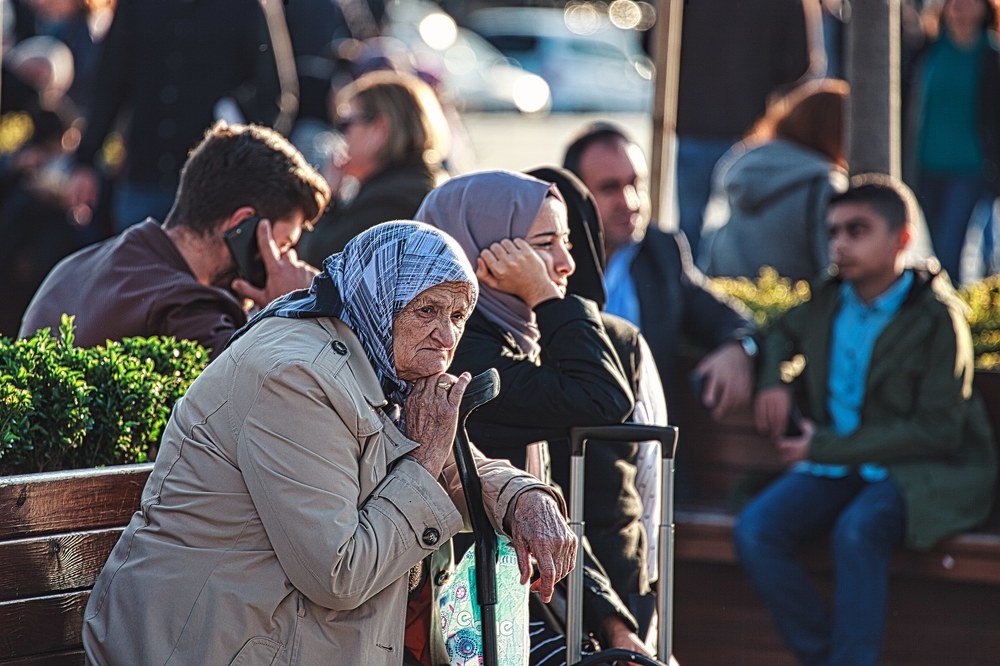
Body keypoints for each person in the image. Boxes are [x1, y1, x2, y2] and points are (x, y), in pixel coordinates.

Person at [81, 221, 576, 665]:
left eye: (459, 315)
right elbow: (340, 573)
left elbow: (451, 470)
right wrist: (424, 462)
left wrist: (523, 497)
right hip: (207, 646)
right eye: (427, 310)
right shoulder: (297, 377)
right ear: (380, 297)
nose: (447, 336)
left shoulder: (382, 366)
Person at [735, 175, 998, 665]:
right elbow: (779, 334)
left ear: (901, 238)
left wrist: (823, 447)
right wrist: (773, 381)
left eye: (857, 230)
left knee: (858, 530)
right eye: (833, 231)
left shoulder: (937, 319)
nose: (839, 244)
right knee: (756, 529)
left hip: (916, 473)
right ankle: (827, 658)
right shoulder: (830, 298)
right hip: (837, 468)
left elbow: (939, 432)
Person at [415, 170, 652, 664]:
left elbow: (546, 516)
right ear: (484, 253)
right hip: (458, 616)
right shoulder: (462, 355)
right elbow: (602, 399)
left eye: (567, 242)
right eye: (545, 245)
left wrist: (615, 625)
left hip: (505, 600)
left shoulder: (511, 339)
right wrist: (547, 296)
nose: (566, 263)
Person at [19, 121, 330, 357]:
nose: (288, 262)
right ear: (242, 224)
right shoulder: (189, 312)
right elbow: (282, 398)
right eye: (283, 246)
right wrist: (298, 311)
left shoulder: (76, 265)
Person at [527, 165, 667, 630]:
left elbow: (649, 472)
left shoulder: (622, 341)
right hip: (565, 583)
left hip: (599, 581)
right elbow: (649, 484)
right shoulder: (485, 344)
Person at [563, 122, 756, 424]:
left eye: (636, 184)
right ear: (575, 195)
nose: (630, 202)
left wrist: (739, 348)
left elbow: (725, 318)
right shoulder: (551, 259)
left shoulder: (661, 251)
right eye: (610, 188)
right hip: (570, 437)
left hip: (650, 439)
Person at [66, 0, 282, 231]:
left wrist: (244, 161)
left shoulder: (245, 6)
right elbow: (109, 84)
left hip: (213, 190)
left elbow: (272, 95)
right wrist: (86, 162)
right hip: (144, 178)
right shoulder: (137, 6)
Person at [673, 0, 821, 258]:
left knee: (689, 228)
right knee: (746, 231)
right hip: (749, 123)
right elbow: (798, 64)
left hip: (696, 119)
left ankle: (687, 277)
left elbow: (657, 43)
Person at [701, 78, 850, 282]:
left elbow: (710, 250)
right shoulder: (824, 185)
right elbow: (831, 270)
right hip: (794, 298)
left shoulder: (740, 166)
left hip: (731, 294)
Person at [296, 69, 450, 264]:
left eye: (345, 124)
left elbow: (320, 260)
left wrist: (327, 199)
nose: (341, 136)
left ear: (380, 129)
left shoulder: (393, 199)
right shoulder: (413, 181)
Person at [906, 0, 1000, 283]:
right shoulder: (927, 50)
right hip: (926, 163)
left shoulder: (992, 56)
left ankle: (950, 303)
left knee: (951, 247)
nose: (961, 8)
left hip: (970, 166)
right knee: (934, 244)